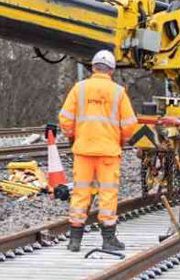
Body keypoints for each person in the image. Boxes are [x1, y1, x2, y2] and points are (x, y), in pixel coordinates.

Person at [59, 50, 139, 252]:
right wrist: (120, 138)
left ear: (93, 67)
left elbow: (65, 119)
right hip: (108, 153)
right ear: (111, 70)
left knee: (80, 194)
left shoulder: (79, 89)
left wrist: (73, 136)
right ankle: (108, 239)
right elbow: (130, 125)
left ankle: (75, 240)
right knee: (107, 194)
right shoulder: (118, 92)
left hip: (83, 151)